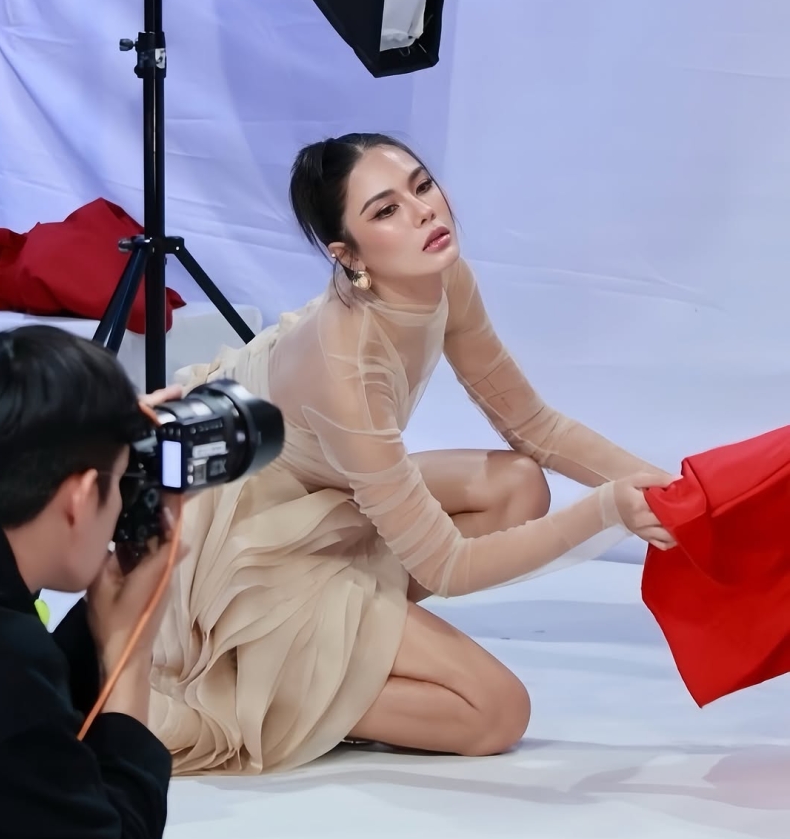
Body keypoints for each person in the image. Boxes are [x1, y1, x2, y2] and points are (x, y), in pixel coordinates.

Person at [149, 133, 676, 776]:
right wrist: (605, 512)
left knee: (516, 485)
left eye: (422, 186)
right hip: (247, 555)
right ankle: (264, 682)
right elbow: (446, 566)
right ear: (347, 254)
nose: (425, 211)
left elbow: (531, 424)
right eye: (386, 210)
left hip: (315, 505)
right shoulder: (344, 363)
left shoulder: (443, 276)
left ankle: (342, 632)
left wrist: (670, 489)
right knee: (496, 713)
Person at [0, 325, 186, 839]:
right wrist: (130, 651)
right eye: (120, 482)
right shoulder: (9, 665)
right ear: (79, 500)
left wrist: (92, 431)